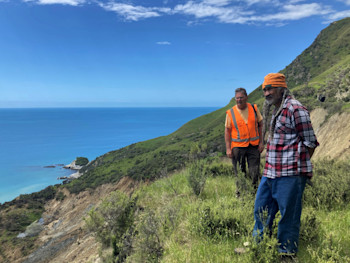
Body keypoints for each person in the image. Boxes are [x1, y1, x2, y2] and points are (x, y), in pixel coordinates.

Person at [253, 73, 319, 255]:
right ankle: (258, 247)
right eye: (264, 89)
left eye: (270, 88)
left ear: (281, 88)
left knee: (288, 216)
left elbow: (310, 142)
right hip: (270, 172)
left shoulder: (295, 109)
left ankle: (287, 253)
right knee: (261, 209)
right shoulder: (277, 108)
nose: (266, 93)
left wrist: (297, 168)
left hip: (289, 175)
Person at [225, 88, 264, 192]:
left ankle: (254, 192)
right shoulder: (230, 113)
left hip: (254, 146)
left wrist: (261, 142)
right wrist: (228, 149)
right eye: (237, 98)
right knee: (239, 171)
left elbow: (261, 125)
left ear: (246, 97)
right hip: (238, 148)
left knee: (254, 171)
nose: (239, 100)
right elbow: (227, 131)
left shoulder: (254, 108)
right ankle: (241, 193)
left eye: (241, 97)